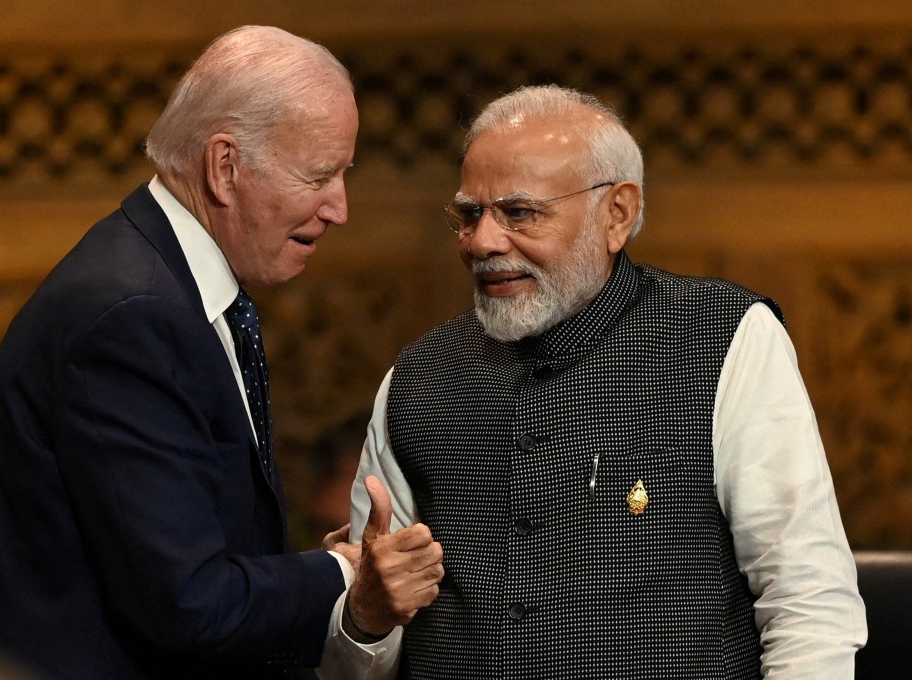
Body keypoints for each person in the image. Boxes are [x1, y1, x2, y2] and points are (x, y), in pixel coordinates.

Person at [0, 25, 442, 679]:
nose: (340, 208)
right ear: (225, 167)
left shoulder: (165, 282)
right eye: (318, 175)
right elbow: (190, 603)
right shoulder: (130, 315)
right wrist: (344, 571)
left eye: (343, 174)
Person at [325, 85, 867, 679]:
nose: (482, 241)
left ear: (617, 214)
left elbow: (808, 603)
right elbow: (351, 665)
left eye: (519, 212)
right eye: (470, 214)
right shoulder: (419, 380)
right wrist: (363, 618)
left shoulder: (724, 338)